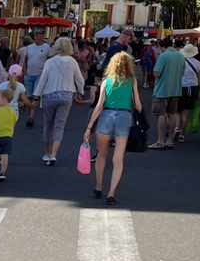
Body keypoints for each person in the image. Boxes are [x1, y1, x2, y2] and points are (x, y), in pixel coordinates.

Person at [83, 50, 143, 205]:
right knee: (118, 159)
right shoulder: (131, 81)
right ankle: (111, 193)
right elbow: (137, 104)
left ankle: (98, 186)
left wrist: (89, 127)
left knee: (101, 154)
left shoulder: (106, 81)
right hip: (124, 117)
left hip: (106, 116)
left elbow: (99, 106)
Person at [32, 37, 86, 165]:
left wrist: (36, 96)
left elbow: (42, 81)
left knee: (48, 125)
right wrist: (80, 91)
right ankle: (54, 155)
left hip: (49, 95)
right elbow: (80, 80)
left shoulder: (50, 62)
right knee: (59, 125)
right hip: (66, 95)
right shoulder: (72, 62)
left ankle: (47, 153)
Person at [150, 37, 184, 149]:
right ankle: (170, 140)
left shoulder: (163, 56)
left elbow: (157, 73)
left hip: (162, 90)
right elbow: (182, 73)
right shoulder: (180, 56)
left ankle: (160, 141)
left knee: (161, 114)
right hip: (176, 89)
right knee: (172, 114)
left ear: (162, 46)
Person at [21, 30, 52, 129]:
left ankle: (31, 117)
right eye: (35, 35)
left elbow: (49, 61)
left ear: (43, 36)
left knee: (35, 95)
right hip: (29, 74)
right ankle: (30, 114)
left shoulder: (47, 48)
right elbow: (25, 61)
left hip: (40, 75)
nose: (36, 37)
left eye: (38, 35)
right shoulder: (29, 48)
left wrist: (46, 74)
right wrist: (25, 72)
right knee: (29, 96)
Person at [177, 43, 200, 142]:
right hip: (193, 87)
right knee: (185, 112)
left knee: (177, 111)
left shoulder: (180, 62)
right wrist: (199, 91)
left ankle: (176, 128)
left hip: (181, 87)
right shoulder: (198, 63)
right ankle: (182, 135)